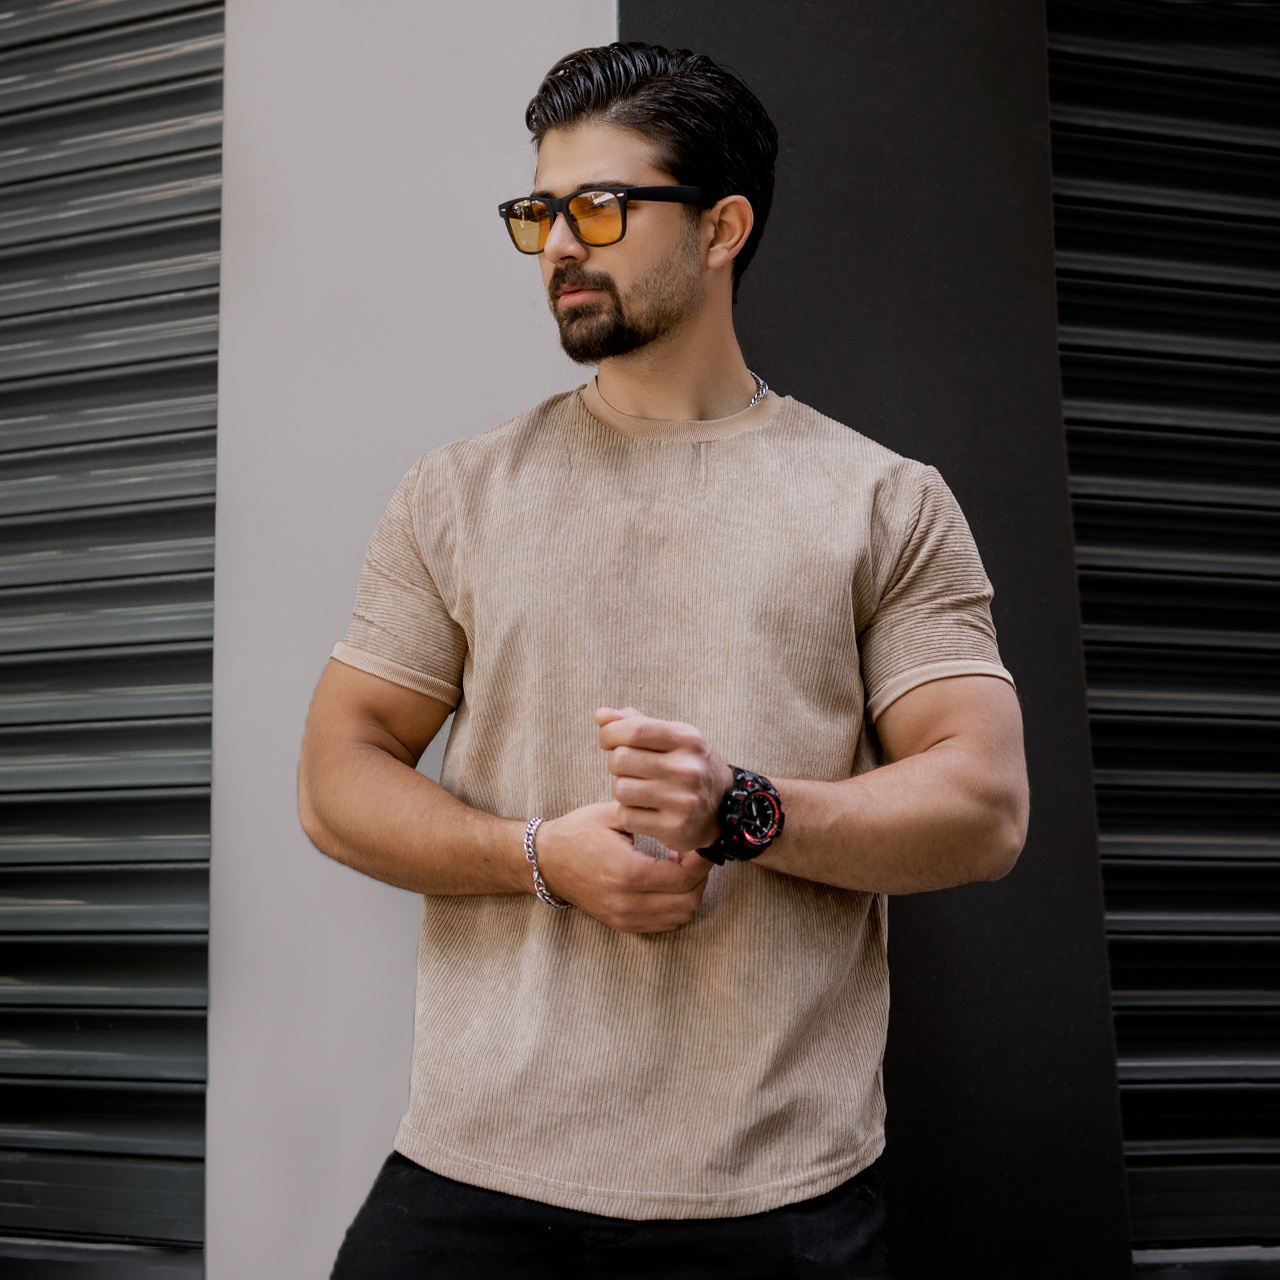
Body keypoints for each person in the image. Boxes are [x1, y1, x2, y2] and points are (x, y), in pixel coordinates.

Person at [300, 41, 1029, 1280]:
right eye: (539, 211)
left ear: (720, 227)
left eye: (598, 206)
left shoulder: (881, 500)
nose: (557, 246)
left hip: (776, 1197)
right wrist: (541, 856)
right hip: (479, 1173)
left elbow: (983, 807)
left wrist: (739, 809)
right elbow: (335, 776)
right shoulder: (455, 493)